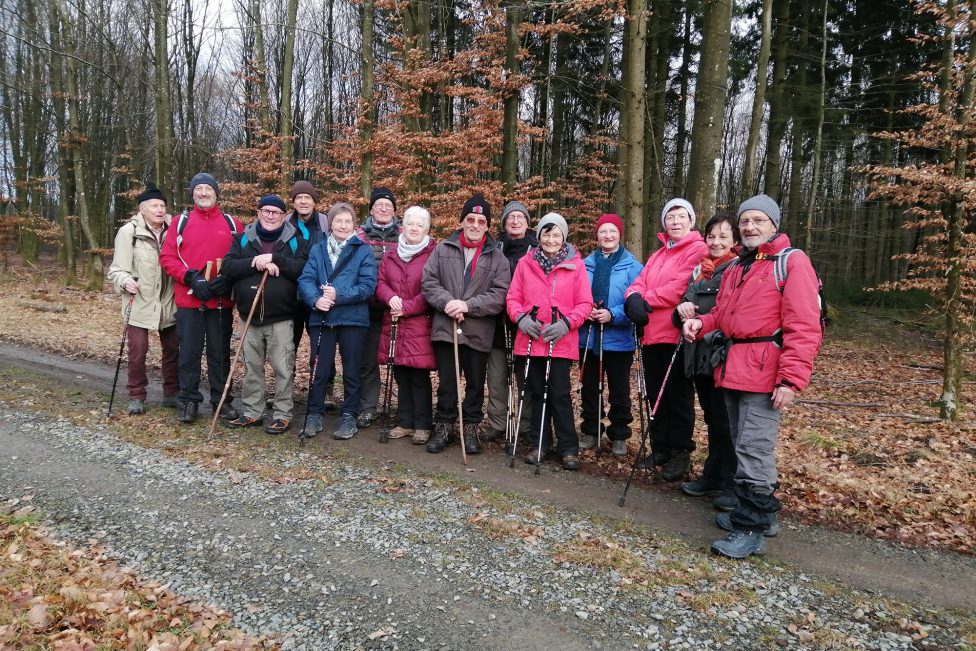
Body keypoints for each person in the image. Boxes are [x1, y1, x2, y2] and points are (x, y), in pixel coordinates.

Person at [683, 194, 822, 559]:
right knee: (741, 443)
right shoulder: (742, 266)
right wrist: (702, 322)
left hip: (765, 371)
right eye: (746, 221)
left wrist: (791, 380)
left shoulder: (791, 263)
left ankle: (751, 528)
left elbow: (804, 326)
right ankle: (758, 516)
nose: (750, 227)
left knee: (754, 449)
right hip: (732, 367)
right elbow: (725, 316)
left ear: (774, 224)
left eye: (758, 220)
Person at [623, 198, 707, 480]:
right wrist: (631, 297)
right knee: (655, 393)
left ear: (691, 220)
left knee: (678, 396)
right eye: (670, 217)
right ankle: (660, 447)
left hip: (677, 335)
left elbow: (680, 287)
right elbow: (639, 281)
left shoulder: (698, 249)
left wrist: (643, 299)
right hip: (651, 335)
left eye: (681, 216)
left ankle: (680, 452)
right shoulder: (659, 254)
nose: (675, 222)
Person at [421, 193, 511, 455]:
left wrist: (468, 306)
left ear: (487, 225)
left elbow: (500, 295)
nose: (474, 225)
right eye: (470, 219)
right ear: (462, 221)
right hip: (445, 328)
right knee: (447, 382)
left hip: (478, 331)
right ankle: (445, 427)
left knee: (474, 384)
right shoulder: (443, 249)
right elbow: (429, 281)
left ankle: (470, 427)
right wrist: (448, 302)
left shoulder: (498, 258)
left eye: (481, 221)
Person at [507, 212, 592, 470]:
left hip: (561, 343)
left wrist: (566, 323)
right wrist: (521, 319)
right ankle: (540, 444)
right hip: (530, 341)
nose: (551, 239)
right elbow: (512, 298)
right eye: (546, 233)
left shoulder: (576, 265)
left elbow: (585, 303)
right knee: (535, 393)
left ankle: (568, 448)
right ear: (539, 235)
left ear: (564, 237)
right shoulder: (525, 263)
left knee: (560, 395)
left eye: (556, 234)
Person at [221, 195, 309, 435]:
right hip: (248, 316)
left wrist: (275, 259)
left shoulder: (295, 241)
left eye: (276, 212)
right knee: (252, 366)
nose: (271, 216)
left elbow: (302, 269)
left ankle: (282, 414)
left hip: (281, 316)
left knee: (283, 367)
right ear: (258, 212)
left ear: (283, 216)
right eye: (266, 211)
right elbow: (227, 268)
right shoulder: (242, 239)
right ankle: (252, 412)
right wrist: (256, 262)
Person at [159, 173, 243, 424]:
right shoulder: (180, 222)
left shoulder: (232, 223)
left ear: (217, 193)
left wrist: (226, 280)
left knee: (219, 353)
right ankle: (188, 400)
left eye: (208, 189)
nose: (204, 193)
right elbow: (167, 258)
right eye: (199, 189)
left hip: (221, 301)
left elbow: (240, 259)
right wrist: (190, 277)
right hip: (190, 300)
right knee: (189, 353)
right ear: (193, 193)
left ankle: (221, 401)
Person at [672, 212, 740, 511]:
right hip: (697, 355)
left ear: (735, 241)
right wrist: (682, 309)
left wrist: (698, 315)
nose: (716, 242)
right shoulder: (700, 270)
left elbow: (731, 315)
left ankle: (730, 480)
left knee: (726, 420)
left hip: (722, 356)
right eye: (712, 236)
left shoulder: (737, 270)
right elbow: (681, 311)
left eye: (723, 236)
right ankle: (713, 475)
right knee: (713, 418)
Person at [298, 202, 377, 440]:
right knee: (319, 368)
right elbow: (306, 279)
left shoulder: (362, 250)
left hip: (353, 320)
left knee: (352, 370)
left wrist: (337, 295)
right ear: (330, 223)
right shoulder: (318, 249)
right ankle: (314, 413)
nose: (343, 225)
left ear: (354, 225)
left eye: (348, 221)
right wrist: (315, 300)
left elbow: (367, 286)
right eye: (338, 220)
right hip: (322, 318)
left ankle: (349, 416)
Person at [107, 182, 179, 414]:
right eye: (154, 205)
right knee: (138, 350)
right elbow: (117, 270)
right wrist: (124, 280)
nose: (160, 209)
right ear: (142, 209)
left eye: (162, 205)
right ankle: (136, 396)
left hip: (169, 300)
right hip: (139, 301)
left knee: (174, 349)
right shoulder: (128, 232)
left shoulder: (176, 229)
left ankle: (172, 394)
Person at [578, 213, 642, 457]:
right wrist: (587, 311)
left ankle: (619, 434)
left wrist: (613, 314)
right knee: (590, 387)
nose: (608, 235)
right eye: (603, 231)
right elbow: (576, 296)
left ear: (619, 235)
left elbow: (637, 302)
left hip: (619, 340)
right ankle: (591, 430)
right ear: (597, 235)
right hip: (589, 338)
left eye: (612, 231)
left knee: (619, 390)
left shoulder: (633, 266)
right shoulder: (584, 265)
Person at [375, 206, 437, 445]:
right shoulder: (391, 253)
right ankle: (404, 422)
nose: (414, 228)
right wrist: (389, 297)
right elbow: (380, 281)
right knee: (399, 372)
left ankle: (422, 425)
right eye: (410, 223)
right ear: (403, 226)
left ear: (426, 229)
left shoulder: (433, 253)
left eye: (419, 225)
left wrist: (408, 307)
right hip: (393, 322)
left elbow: (432, 289)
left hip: (419, 324)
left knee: (419, 376)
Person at [481, 200, 537, 443]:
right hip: (496, 323)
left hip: (526, 325)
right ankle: (497, 422)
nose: (515, 221)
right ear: (504, 223)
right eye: (510, 217)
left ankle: (525, 424)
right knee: (496, 376)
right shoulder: (493, 247)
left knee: (525, 377)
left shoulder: (537, 248)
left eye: (520, 217)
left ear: (527, 222)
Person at [287, 179, 337, 411]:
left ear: (314, 201)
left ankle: (323, 390)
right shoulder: (285, 223)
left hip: (319, 295)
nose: (304, 201)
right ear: (294, 201)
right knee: (288, 344)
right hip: (289, 295)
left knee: (321, 344)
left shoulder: (327, 223)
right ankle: (284, 389)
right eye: (299, 198)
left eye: (308, 197)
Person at [356, 187, 401, 427]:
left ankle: (406, 411)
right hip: (369, 307)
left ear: (394, 210)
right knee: (368, 360)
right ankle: (367, 407)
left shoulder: (405, 234)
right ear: (371, 209)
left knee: (403, 361)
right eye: (379, 205)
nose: (384, 209)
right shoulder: (359, 235)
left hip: (399, 310)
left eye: (388, 205)